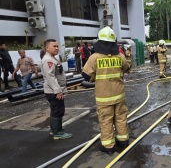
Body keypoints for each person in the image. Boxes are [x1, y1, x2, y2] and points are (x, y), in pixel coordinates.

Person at [82, 26, 130, 155]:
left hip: (104, 97)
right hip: (119, 95)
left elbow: (85, 75)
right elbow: (127, 69)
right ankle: (123, 140)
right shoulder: (120, 56)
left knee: (106, 120)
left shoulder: (94, 57)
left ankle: (109, 146)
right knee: (121, 118)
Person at [41, 39, 72, 140]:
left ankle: (54, 129)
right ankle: (57, 132)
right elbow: (50, 76)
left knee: (55, 110)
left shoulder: (52, 58)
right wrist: (57, 90)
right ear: (47, 48)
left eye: (57, 46)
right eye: (54, 46)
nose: (57, 48)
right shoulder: (48, 60)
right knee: (58, 110)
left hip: (54, 90)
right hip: (54, 91)